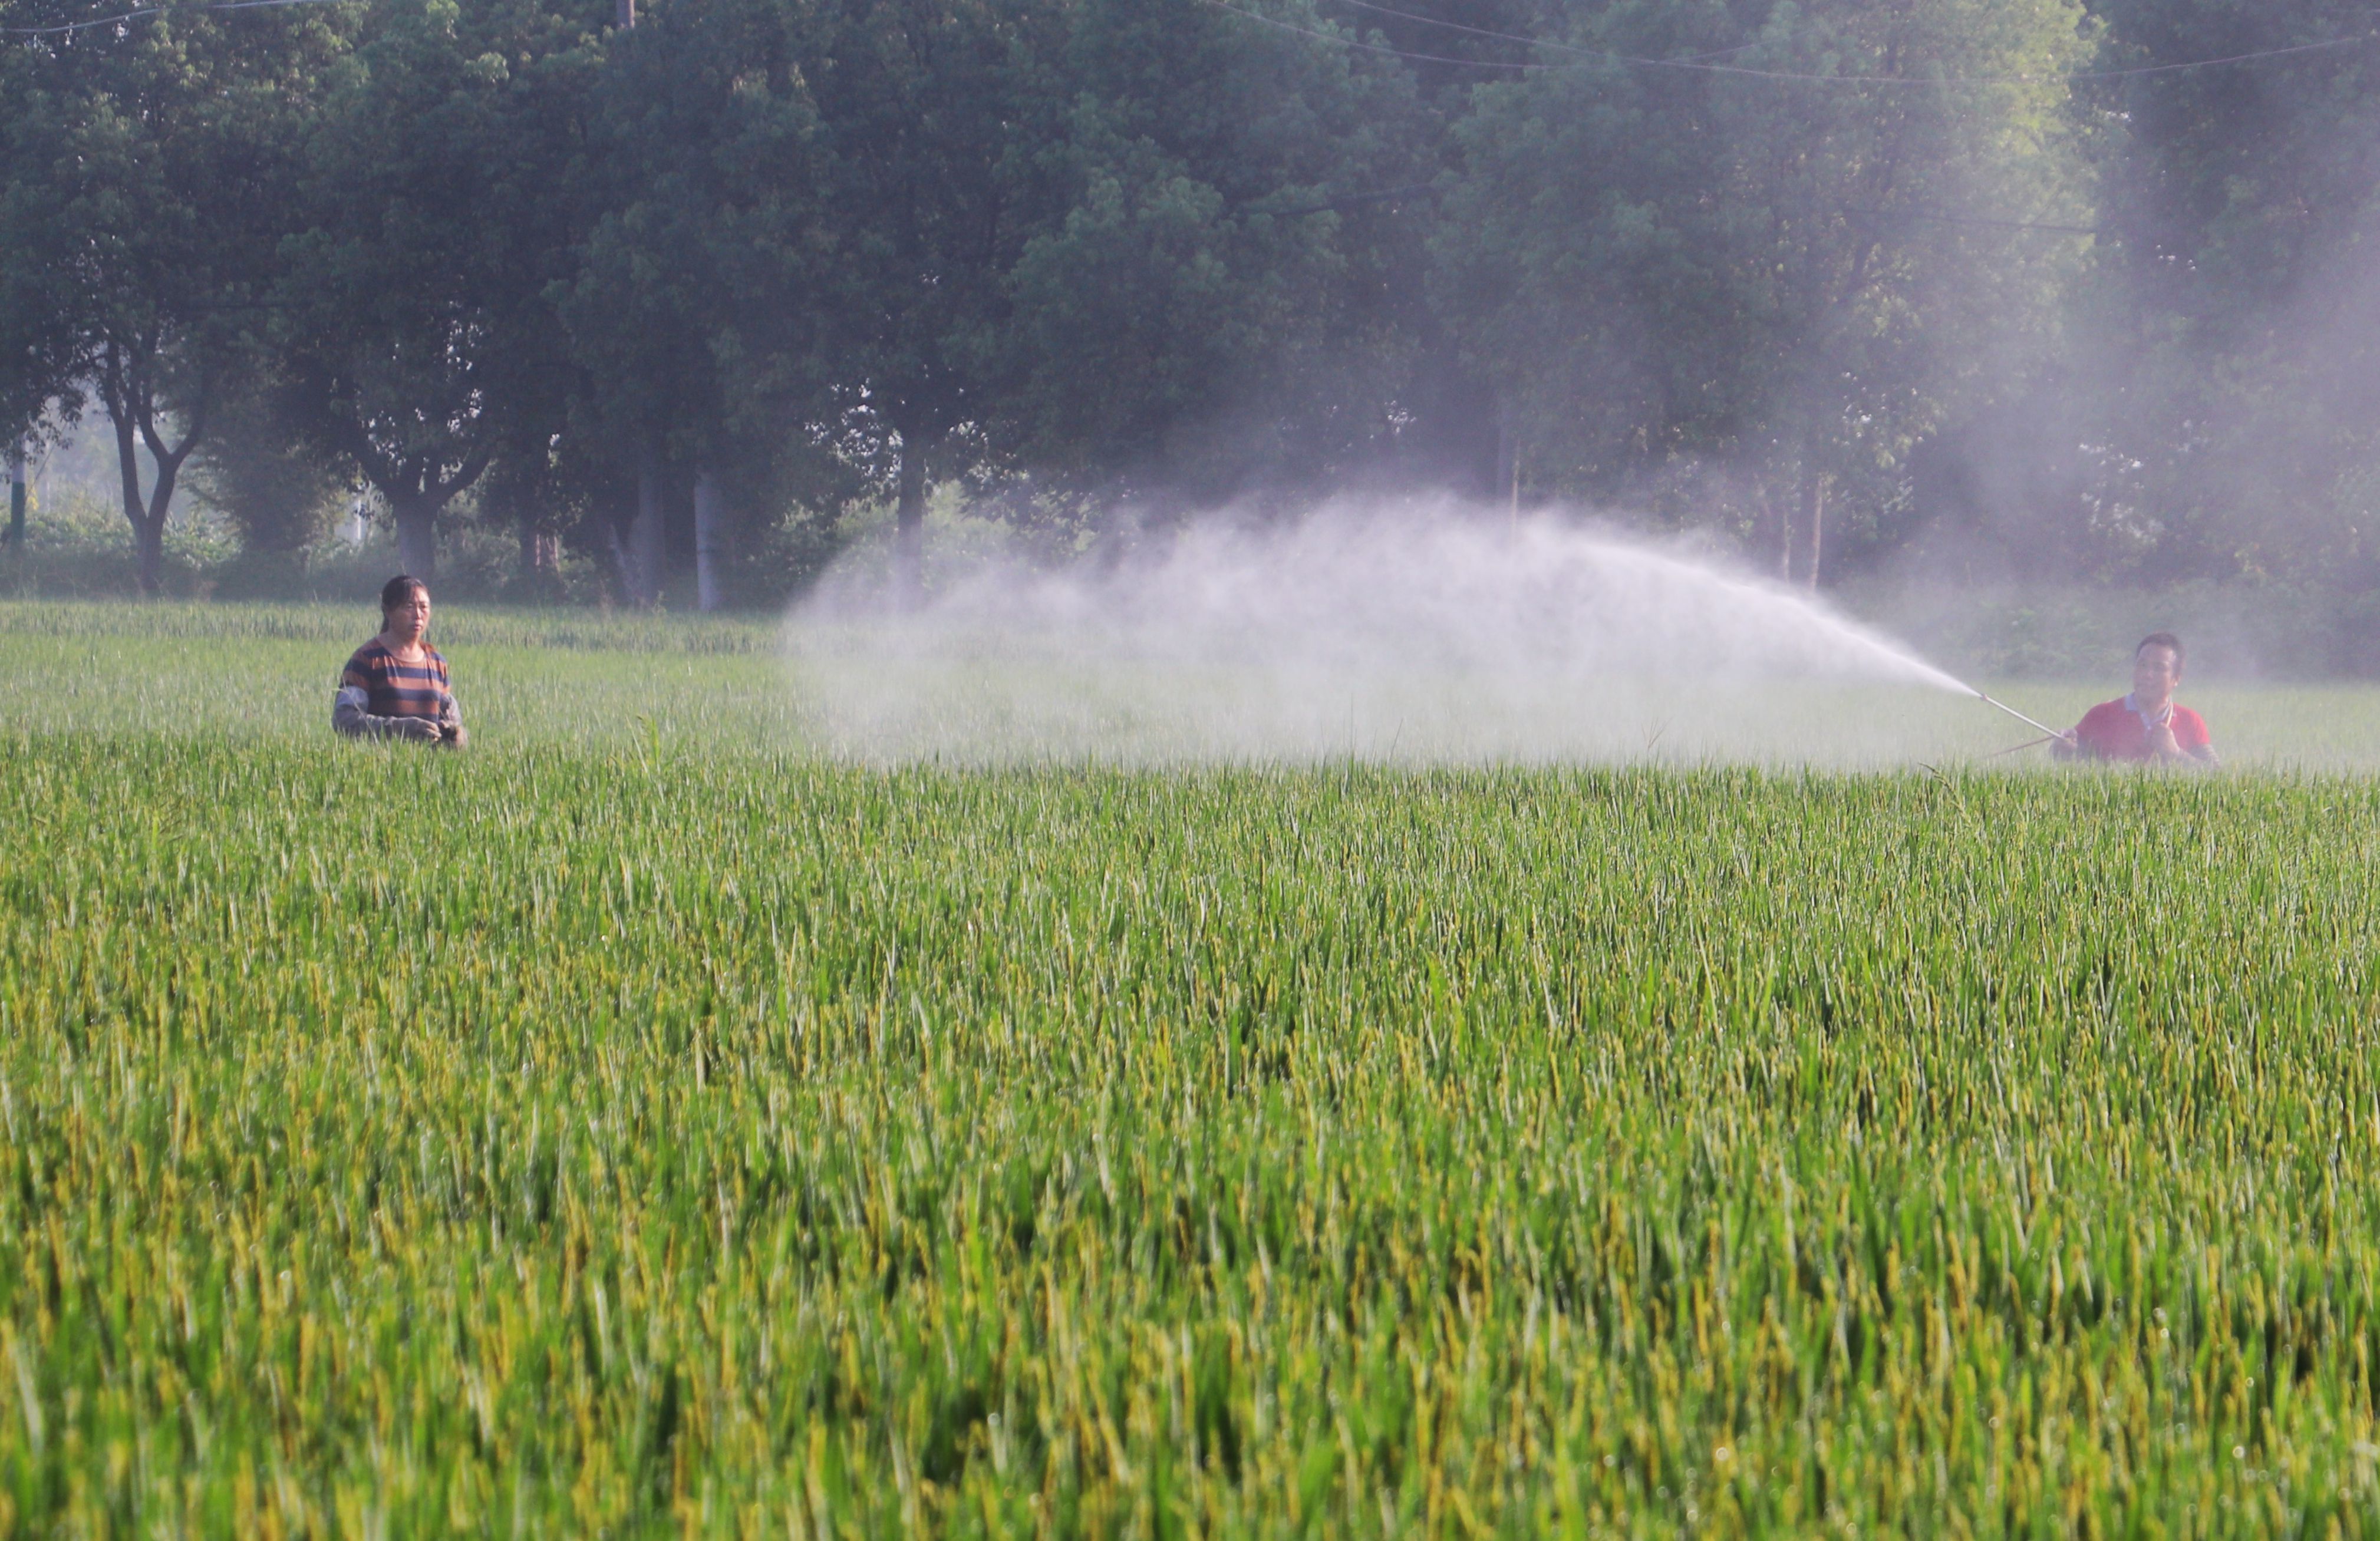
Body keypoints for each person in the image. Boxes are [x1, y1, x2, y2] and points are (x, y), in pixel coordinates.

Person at [334, 575, 467, 746]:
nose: (418, 615)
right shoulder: (367, 659)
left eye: (424, 607)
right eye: (409, 607)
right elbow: (345, 719)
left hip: (430, 769)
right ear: (388, 611)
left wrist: (455, 734)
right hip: (381, 766)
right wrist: (400, 729)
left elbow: (454, 721)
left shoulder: (437, 664)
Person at [2056, 631, 2215, 766]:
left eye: (2159, 668)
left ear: (2176, 679)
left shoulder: (2190, 721)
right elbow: (2070, 758)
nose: (2148, 674)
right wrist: (2062, 747)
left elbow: (2216, 776)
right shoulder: (2102, 715)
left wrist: (2176, 753)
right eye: (2143, 665)